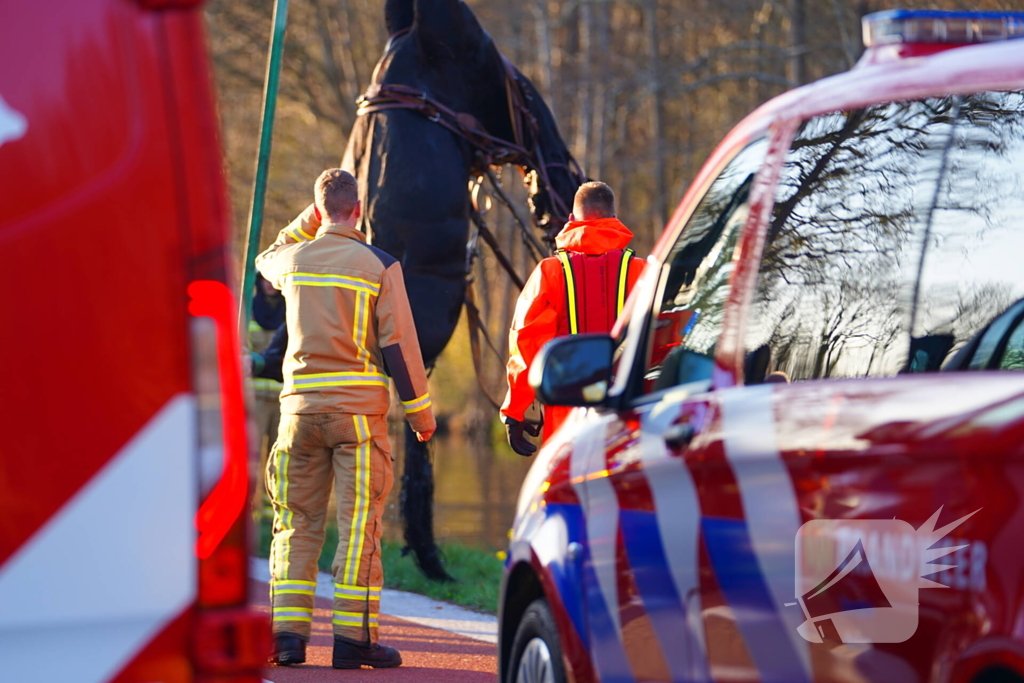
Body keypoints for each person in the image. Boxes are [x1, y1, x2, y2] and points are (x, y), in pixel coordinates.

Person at [256, 169, 436, 669]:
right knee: (359, 526)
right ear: (358, 210)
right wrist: (421, 414)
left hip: (298, 414)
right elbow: (398, 345)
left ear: (319, 209)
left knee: (295, 524)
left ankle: (287, 640)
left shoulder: (291, 260)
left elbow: (264, 255)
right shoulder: (378, 265)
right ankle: (353, 642)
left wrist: (309, 219)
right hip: (357, 418)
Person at [501, 181, 645, 455]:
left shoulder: (550, 272)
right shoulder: (644, 273)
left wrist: (515, 411)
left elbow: (526, 342)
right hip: (628, 415)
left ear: (571, 219)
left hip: (566, 416)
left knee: (567, 493)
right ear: (614, 218)